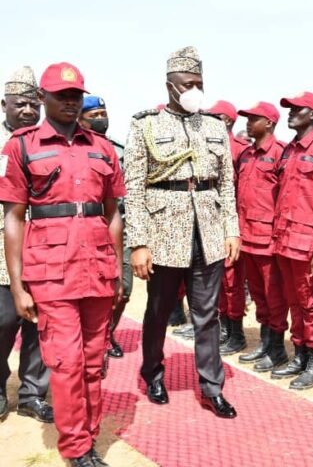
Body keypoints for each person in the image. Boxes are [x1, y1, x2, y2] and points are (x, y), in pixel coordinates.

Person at [0, 62, 124, 466]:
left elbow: (114, 213)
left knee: (93, 361)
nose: (70, 103)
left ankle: (88, 436)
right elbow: (14, 217)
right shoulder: (21, 145)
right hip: (50, 271)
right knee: (67, 363)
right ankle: (77, 449)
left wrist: (118, 269)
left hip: (98, 267)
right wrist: (18, 286)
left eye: (75, 96)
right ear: (43, 98)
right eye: (61, 96)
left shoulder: (102, 147)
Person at [124, 46, 240, 419]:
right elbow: (135, 188)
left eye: (199, 83)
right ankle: (153, 372)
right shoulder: (145, 125)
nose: (195, 90)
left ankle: (211, 387)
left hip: (207, 231)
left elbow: (226, 184)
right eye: (188, 84)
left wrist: (231, 230)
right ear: (170, 86)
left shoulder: (214, 126)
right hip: (163, 233)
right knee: (158, 310)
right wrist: (138, 243)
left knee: (207, 315)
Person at [261, 92, 313, 386]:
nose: (290, 113)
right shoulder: (288, 150)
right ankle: (300, 355)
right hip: (285, 238)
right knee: (294, 301)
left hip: (307, 241)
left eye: (297, 110)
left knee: (311, 303)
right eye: (288, 109)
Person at [0, 66, 52, 424]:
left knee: (40, 323)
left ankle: (33, 393)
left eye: (34, 105)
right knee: (3, 319)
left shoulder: (44, 142)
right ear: (4, 105)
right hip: (1, 249)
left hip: (44, 247)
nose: (29, 112)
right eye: (21, 105)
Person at [233, 102, 290, 367]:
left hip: (268, 238)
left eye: (253, 118)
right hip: (247, 236)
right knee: (257, 294)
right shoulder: (245, 155)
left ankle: (277, 349)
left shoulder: (280, 153)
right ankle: (266, 344)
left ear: (268, 123)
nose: (247, 122)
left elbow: (285, 198)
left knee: (274, 295)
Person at [78, 95, 134, 360]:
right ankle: (88, 340)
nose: (101, 119)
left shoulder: (120, 150)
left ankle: (106, 333)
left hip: (119, 228)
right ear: (80, 120)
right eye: (94, 115)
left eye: (104, 113)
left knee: (123, 289)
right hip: (87, 228)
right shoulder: (74, 149)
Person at [208, 100, 249, 355]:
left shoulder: (238, 150)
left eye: (215, 117)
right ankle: (223, 327)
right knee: (219, 281)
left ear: (228, 121)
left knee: (232, 281)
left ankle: (236, 332)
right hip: (211, 224)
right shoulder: (208, 146)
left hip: (230, 224)